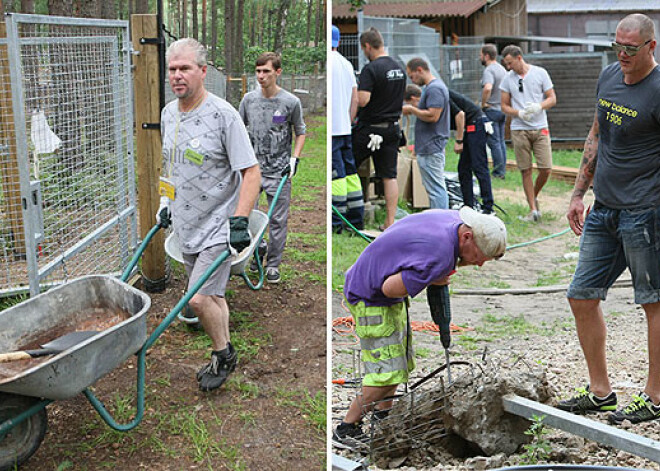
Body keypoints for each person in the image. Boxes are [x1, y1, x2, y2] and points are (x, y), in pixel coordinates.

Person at [559, 13, 660, 425]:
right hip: (604, 210)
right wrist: (578, 192)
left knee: (653, 303)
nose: (622, 54)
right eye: (617, 45)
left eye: (630, 48)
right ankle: (601, 392)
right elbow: (597, 133)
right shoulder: (608, 78)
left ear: (651, 47)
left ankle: (655, 396)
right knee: (581, 295)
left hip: (646, 213)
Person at [332, 207, 506, 444]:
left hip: (382, 293)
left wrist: (438, 273)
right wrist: (432, 276)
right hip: (371, 297)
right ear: (467, 237)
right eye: (480, 256)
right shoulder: (439, 255)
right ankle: (346, 428)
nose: (480, 265)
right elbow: (389, 288)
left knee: (397, 362)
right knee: (386, 373)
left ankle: (383, 417)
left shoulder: (455, 221)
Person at [158, 38, 261, 392]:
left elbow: (251, 172)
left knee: (198, 298)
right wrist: (164, 202)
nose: (177, 75)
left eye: (184, 68)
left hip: (220, 224)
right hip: (187, 223)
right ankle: (225, 347)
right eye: (172, 69)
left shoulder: (224, 115)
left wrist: (239, 221)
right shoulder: (168, 113)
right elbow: (169, 165)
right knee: (213, 297)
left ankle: (223, 353)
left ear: (203, 71)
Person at [239, 52, 306, 284]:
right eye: (257, 71)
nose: (261, 76)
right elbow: (238, 131)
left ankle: (273, 264)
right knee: (247, 216)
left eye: (266, 71)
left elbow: (301, 131)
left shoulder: (290, 102)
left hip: (279, 172)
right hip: (252, 172)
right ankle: (257, 248)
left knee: (277, 220)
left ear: (277, 72)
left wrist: (293, 159)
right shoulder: (248, 100)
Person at [405, 85, 495, 215]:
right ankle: (468, 206)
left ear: (414, 98)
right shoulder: (430, 99)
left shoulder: (436, 96)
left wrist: (459, 141)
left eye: (412, 104)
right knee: (463, 169)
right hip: (470, 127)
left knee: (479, 166)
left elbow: (460, 115)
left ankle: (488, 207)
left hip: (476, 124)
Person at [352, 27, 406, 230]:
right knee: (388, 175)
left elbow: (364, 100)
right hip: (392, 128)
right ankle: (389, 221)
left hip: (370, 129)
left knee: (348, 167)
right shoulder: (398, 67)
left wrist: (353, 97)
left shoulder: (371, 68)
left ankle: (353, 213)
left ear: (367, 46)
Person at [500, 44, 556, 222]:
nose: (509, 67)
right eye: (506, 64)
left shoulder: (540, 73)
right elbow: (504, 105)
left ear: (519, 58)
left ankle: (534, 195)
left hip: (540, 126)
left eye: (510, 63)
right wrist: (518, 113)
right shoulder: (507, 79)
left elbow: (552, 98)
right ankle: (532, 210)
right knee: (525, 170)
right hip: (519, 129)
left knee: (546, 169)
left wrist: (539, 106)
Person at [402, 57, 451, 210]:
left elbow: (433, 115)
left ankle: (440, 222)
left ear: (420, 70)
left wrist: (411, 110)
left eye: (412, 76)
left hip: (432, 146)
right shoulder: (430, 88)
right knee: (433, 189)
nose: (413, 80)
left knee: (436, 190)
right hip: (428, 147)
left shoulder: (434, 88)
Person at [331, 25, 364, 233]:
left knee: (337, 177)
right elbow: (355, 98)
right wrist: (349, 122)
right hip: (344, 128)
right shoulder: (346, 63)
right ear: (339, 42)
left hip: (333, 130)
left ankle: (336, 223)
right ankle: (356, 217)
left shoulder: (330, 63)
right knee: (351, 174)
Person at [480, 43, 508, 180]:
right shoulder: (502, 69)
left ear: (486, 55)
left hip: (492, 109)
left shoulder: (489, 70)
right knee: (501, 141)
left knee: (494, 142)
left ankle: (498, 172)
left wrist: (483, 103)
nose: (480, 58)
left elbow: (487, 88)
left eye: (481, 55)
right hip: (502, 109)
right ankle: (502, 169)